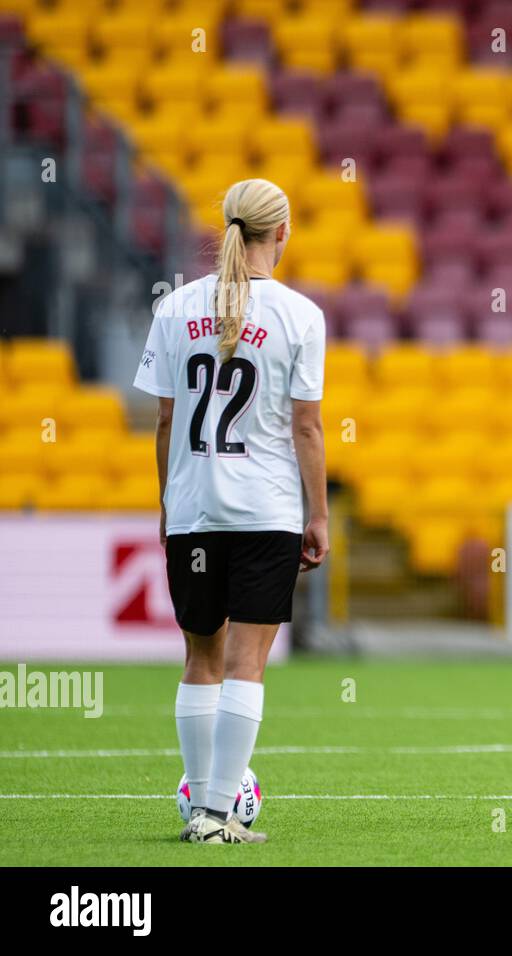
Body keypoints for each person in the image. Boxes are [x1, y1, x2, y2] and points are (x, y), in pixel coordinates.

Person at [134, 178, 329, 843]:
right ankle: (219, 813)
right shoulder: (300, 315)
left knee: (200, 659)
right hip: (265, 510)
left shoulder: (175, 307)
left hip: (194, 510)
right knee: (248, 661)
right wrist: (320, 514)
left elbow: (164, 422)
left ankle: (200, 813)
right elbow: (306, 428)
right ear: (284, 232)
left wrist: (167, 502)